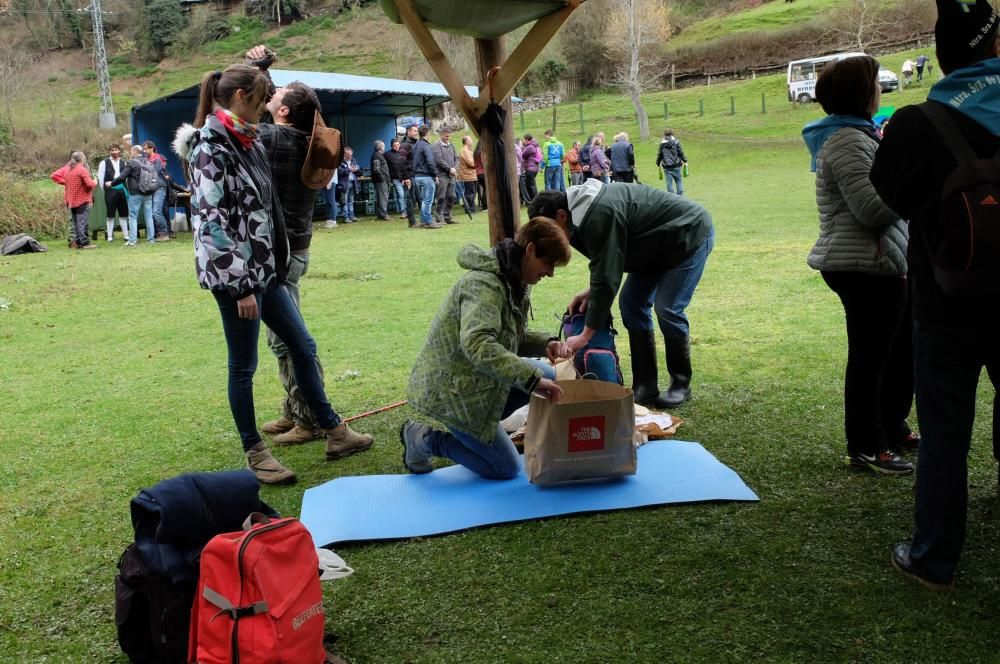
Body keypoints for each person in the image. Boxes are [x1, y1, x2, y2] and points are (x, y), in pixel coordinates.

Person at [173, 64, 373, 485]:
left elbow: (264, 210)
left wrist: (272, 268)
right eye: (263, 100)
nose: (267, 109)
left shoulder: (248, 141)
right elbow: (212, 222)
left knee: (303, 345)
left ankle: (335, 431)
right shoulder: (211, 145)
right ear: (242, 96)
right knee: (243, 365)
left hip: (267, 272)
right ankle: (256, 453)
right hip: (237, 280)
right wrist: (241, 285)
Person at [870, 0, 1000, 591]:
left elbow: (890, 194)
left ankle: (934, 557)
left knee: (945, 431)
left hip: (946, 297)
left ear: (943, 55)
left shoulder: (921, 122)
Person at [802, 55, 916, 476]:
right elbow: (870, 208)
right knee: (872, 358)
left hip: (882, 261)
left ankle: (893, 427)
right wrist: (915, 183)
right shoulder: (848, 140)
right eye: (875, 84)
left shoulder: (860, 135)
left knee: (900, 349)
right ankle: (868, 446)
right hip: (862, 265)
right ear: (862, 93)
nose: (880, 90)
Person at [400, 218, 573, 479]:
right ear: (530, 250)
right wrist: (529, 380)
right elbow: (479, 344)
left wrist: (545, 343)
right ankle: (423, 439)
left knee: (546, 375)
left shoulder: (513, 278)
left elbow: (507, 337)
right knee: (506, 467)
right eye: (548, 264)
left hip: (475, 379)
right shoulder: (485, 285)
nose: (550, 273)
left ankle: (485, 428)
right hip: (453, 392)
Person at [529, 180, 714, 409]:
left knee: (667, 308)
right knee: (631, 303)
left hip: (688, 235)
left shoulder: (597, 212)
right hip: (655, 248)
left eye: (549, 229)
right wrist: (591, 290)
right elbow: (607, 260)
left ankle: (681, 383)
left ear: (560, 215)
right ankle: (645, 386)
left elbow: (606, 276)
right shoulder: (579, 215)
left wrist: (586, 336)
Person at [250, 70, 334, 446]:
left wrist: (249, 77)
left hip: (279, 257)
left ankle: (308, 418)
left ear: (282, 111)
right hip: (296, 251)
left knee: (288, 340)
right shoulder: (305, 138)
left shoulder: (275, 138)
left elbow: (238, 119)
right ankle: (294, 408)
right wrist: (263, 71)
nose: (270, 92)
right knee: (287, 337)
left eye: (277, 91)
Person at [108, 145, 156, 245]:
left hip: (135, 194)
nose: (130, 153)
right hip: (148, 193)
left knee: (133, 217)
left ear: (134, 152)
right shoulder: (148, 162)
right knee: (149, 217)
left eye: (131, 151)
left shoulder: (132, 163)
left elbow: (122, 177)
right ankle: (151, 239)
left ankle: (132, 240)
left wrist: (111, 184)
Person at [50, 151, 97, 250]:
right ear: (82, 159)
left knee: (76, 224)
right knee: (82, 223)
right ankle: (85, 243)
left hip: (71, 201)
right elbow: (89, 184)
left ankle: (78, 242)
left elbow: (56, 177)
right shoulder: (82, 170)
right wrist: (95, 181)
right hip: (82, 200)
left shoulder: (68, 170)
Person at [96, 144, 129, 243]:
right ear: (109, 151)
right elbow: (101, 178)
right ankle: (110, 236)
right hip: (110, 190)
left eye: (116, 150)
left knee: (123, 214)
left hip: (122, 190)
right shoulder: (104, 163)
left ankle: (126, 235)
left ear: (119, 151)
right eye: (112, 150)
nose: (114, 152)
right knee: (110, 215)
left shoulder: (125, 163)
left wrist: (127, 189)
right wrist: (105, 189)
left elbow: (126, 179)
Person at [411, 124, 440, 228]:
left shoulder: (415, 146)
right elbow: (430, 161)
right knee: (428, 200)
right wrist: (435, 174)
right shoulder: (426, 146)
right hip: (427, 176)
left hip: (417, 177)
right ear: (427, 133)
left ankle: (423, 221)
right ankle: (428, 221)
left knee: (424, 200)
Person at [142, 141, 171, 241]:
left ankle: (164, 233)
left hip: (160, 186)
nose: (144, 151)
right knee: (154, 212)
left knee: (156, 212)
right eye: (144, 149)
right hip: (151, 187)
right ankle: (157, 233)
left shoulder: (158, 158)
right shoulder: (146, 159)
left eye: (146, 149)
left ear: (152, 148)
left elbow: (154, 172)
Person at [432, 125, 458, 224]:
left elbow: (457, 158)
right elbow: (439, 160)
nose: (448, 138)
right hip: (442, 175)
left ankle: (448, 216)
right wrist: (449, 169)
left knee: (451, 197)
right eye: (446, 136)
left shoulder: (451, 145)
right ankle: (439, 217)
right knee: (441, 197)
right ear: (441, 135)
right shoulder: (436, 146)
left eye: (449, 136)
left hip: (451, 175)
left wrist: (455, 168)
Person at [398, 123, 419, 226]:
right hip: (409, 176)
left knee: (418, 198)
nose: (416, 132)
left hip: (416, 175)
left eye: (417, 131)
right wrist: (406, 177)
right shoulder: (405, 145)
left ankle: (423, 219)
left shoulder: (416, 143)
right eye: (414, 131)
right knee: (410, 199)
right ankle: (412, 222)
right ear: (408, 132)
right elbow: (401, 162)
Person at [656, 128, 688, 195]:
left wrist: (658, 163)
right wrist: (685, 161)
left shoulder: (662, 144)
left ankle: (672, 198)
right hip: (676, 165)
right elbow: (680, 153)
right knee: (679, 181)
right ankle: (680, 197)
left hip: (667, 167)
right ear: (672, 134)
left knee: (669, 183)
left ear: (665, 134)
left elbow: (660, 155)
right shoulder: (676, 142)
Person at [336, 146, 360, 223]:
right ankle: (345, 217)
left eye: (351, 155)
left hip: (353, 183)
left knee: (351, 201)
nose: (350, 156)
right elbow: (338, 172)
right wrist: (349, 169)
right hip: (344, 184)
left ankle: (352, 216)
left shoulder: (353, 160)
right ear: (344, 154)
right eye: (349, 155)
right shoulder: (339, 161)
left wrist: (357, 169)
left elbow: (358, 170)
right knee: (344, 201)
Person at [385, 138, 408, 218]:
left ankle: (408, 211)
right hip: (396, 178)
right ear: (391, 146)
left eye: (398, 145)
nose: (397, 147)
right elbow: (385, 167)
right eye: (395, 145)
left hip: (406, 178)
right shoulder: (387, 154)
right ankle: (403, 212)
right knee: (401, 195)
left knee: (407, 195)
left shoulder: (404, 153)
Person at [370, 139, 391, 220]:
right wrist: (382, 178)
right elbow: (376, 169)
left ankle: (381, 214)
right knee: (383, 197)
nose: (385, 147)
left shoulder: (378, 155)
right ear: (380, 147)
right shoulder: (377, 155)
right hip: (381, 181)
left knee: (382, 197)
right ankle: (383, 215)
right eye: (383, 146)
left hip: (382, 180)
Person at [457, 135, 478, 213]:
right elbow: (471, 163)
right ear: (466, 141)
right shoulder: (464, 151)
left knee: (472, 193)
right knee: (470, 193)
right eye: (470, 140)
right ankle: (469, 209)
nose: (472, 141)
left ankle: (471, 209)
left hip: (472, 175)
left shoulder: (468, 150)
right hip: (468, 175)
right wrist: (478, 164)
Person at [521, 134, 541, 202]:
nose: (523, 141)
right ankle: (534, 200)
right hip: (533, 168)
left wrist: (523, 147)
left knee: (532, 186)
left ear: (526, 139)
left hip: (530, 168)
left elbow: (523, 154)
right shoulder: (534, 145)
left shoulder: (530, 147)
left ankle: (536, 200)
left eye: (523, 140)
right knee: (530, 185)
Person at [473, 141, 487, 210]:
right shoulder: (481, 152)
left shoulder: (475, 153)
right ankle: (485, 205)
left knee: (485, 189)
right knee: (487, 189)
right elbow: (483, 163)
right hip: (482, 172)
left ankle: (484, 205)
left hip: (477, 173)